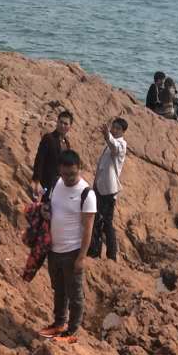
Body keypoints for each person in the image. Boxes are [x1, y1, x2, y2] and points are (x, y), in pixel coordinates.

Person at [40, 148, 96, 343]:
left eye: (72, 173)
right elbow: (52, 207)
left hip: (73, 251)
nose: (69, 178)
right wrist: (45, 212)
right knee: (59, 290)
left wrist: (82, 257)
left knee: (75, 294)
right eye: (65, 174)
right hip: (54, 249)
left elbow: (88, 229)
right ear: (59, 171)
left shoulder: (87, 194)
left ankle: (72, 332)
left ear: (79, 167)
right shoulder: (57, 183)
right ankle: (59, 323)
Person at [88, 118, 128, 261]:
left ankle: (110, 254)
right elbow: (102, 166)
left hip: (109, 191)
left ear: (123, 132)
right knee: (97, 220)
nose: (114, 130)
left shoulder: (121, 145)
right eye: (113, 127)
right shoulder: (110, 144)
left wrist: (107, 136)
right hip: (100, 188)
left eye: (118, 129)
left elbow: (115, 148)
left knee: (106, 223)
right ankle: (95, 251)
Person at [32, 109, 73, 197]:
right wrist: (36, 181)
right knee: (40, 203)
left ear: (70, 126)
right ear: (57, 122)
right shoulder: (49, 138)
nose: (62, 125)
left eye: (66, 124)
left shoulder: (67, 144)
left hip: (58, 186)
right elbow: (39, 159)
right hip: (45, 183)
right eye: (61, 122)